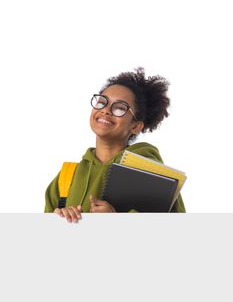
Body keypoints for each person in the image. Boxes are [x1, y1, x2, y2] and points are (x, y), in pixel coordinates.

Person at [44, 67, 186, 222]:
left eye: (119, 108)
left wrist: (115, 220)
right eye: (102, 102)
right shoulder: (67, 175)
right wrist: (61, 218)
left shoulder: (149, 169)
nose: (106, 110)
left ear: (136, 126)